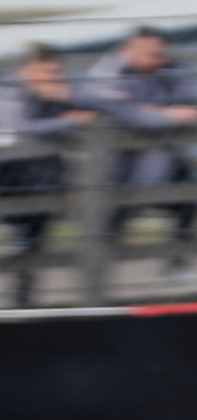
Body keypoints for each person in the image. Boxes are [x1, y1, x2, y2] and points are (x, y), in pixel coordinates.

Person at [88, 27, 197, 288]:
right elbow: (125, 116)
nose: (159, 60)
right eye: (151, 54)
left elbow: (194, 104)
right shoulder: (107, 71)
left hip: (163, 155)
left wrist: (153, 112)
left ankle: (178, 268)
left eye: (160, 53)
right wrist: (169, 114)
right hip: (120, 163)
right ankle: (96, 283)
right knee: (112, 222)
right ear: (128, 50)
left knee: (190, 202)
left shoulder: (168, 66)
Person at [2, 46, 98, 307]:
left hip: (43, 181)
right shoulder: (9, 94)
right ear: (25, 72)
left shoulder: (58, 95)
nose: (52, 78)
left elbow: (97, 112)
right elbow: (22, 129)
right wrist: (71, 120)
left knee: (33, 238)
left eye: (56, 72)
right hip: (12, 178)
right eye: (45, 72)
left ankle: (25, 287)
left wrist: (71, 99)